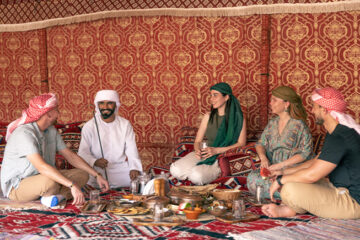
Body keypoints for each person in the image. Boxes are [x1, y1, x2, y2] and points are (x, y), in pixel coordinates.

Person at [262, 87, 360, 219]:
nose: (312, 111)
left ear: (324, 110)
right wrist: (283, 172)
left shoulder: (340, 135)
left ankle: (290, 209)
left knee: (289, 189)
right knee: (295, 181)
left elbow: (312, 175)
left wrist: (280, 181)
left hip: (353, 201)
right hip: (337, 187)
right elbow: (316, 161)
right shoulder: (336, 132)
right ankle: (290, 208)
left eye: (314, 107)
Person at [0, 93, 109, 208]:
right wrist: (71, 185)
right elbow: (41, 167)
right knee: (50, 182)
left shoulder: (50, 130)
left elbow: (70, 156)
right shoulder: (24, 133)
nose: (59, 113)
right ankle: (54, 193)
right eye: (57, 110)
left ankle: (56, 198)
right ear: (49, 113)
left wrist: (97, 175)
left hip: (43, 177)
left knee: (82, 175)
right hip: (18, 186)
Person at [170, 82, 247, 185]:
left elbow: (241, 143)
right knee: (175, 169)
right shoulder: (208, 116)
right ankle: (197, 171)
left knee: (197, 176)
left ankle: (198, 173)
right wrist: (198, 150)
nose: (211, 99)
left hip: (221, 156)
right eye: (210, 95)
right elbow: (198, 141)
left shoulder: (239, 118)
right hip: (205, 153)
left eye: (215, 95)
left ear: (226, 97)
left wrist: (216, 150)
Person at [247, 86, 313, 199]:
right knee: (252, 179)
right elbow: (260, 144)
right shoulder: (272, 123)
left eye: (274, 100)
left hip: (292, 170)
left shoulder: (299, 125)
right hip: (273, 170)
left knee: (291, 183)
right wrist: (263, 158)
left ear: (286, 104)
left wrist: (281, 166)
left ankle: (287, 193)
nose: (270, 103)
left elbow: (305, 153)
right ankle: (285, 194)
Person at [78, 90, 143, 189]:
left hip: (119, 168)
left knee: (140, 179)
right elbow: (82, 153)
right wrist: (95, 161)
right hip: (97, 170)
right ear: (97, 105)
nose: (105, 107)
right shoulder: (89, 126)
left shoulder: (125, 124)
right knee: (85, 178)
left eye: (109, 103)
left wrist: (134, 168)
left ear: (116, 105)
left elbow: (131, 149)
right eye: (101, 103)